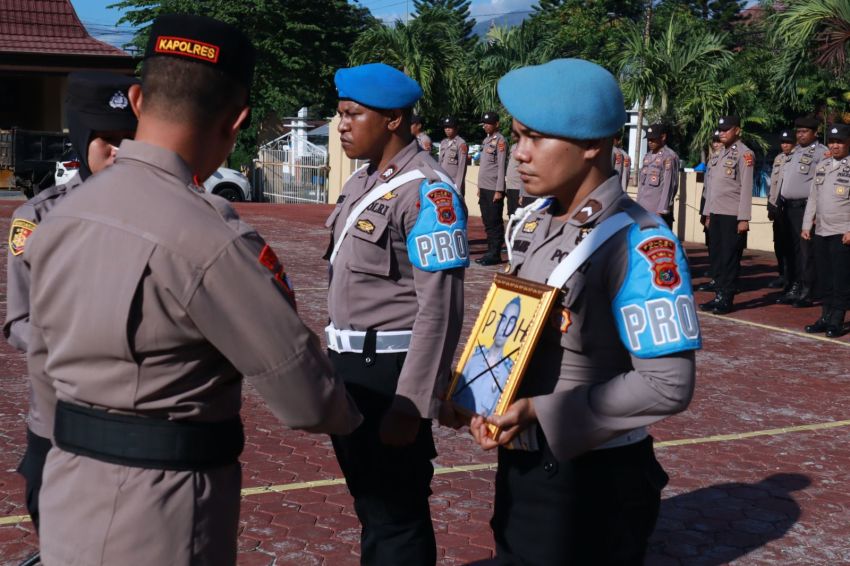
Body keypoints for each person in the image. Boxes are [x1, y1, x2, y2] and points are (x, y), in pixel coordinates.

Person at [23, 15, 361, 565]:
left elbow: (42, 369)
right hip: (162, 515)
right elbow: (306, 400)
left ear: (136, 99)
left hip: (68, 492)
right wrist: (358, 415)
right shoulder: (211, 240)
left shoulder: (61, 217)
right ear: (238, 121)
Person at [444, 58, 698, 565]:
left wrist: (540, 410)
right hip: (530, 466)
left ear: (591, 145)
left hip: (591, 481)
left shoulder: (639, 243)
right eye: (517, 137)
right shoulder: (542, 221)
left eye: (535, 137)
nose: (519, 153)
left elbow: (668, 384)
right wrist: (475, 391)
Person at [328, 62, 467, 565]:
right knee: (372, 505)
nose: (341, 124)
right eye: (340, 114)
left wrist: (413, 402)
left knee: (397, 516)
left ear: (391, 119)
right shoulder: (363, 183)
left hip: (390, 376)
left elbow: (441, 309)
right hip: (349, 368)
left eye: (351, 114)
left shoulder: (428, 192)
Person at [4, 70, 138, 566]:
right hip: (59, 419)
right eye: (109, 141)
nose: (121, 152)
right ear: (83, 140)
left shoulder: (165, 213)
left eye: (132, 139)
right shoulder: (40, 219)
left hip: (139, 420)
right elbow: (19, 321)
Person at [699, 116, 754, 314]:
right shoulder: (717, 154)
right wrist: (707, 214)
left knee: (730, 258)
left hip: (732, 214)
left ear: (737, 130)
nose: (722, 132)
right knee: (718, 257)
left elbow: (746, 188)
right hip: (716, 212)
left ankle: (726, 298)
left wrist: (744, 218)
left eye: (726, 129)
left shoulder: (745, 154)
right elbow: (711, 187)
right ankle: (718, 295)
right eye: (720, 129)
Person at [776, 115, 830, 307]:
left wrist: (816, 213)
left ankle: (808, 290)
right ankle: (794, 286)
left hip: (805, 207)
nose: (800, 135)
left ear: (815, 133)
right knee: (790, 250)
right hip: (787, 207)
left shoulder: (822, 153)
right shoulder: (795, 151)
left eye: (804, 131)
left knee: (806, 252)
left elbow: (823, 185)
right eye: (798, 131)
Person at [801, 123, 850, 338]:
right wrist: (806, 224)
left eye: (840, 142)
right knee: (824, 276)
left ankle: (837, 319)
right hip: (821, 230)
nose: (835, 145)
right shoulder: (822, 165)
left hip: (842, 231)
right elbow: (813, 197)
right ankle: (825, 315)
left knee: (841, 278)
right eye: (832, 141)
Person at [453, 297, 519, 417]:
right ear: (498, 322)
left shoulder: (507, 374)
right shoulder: (473, 358)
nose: (505, 327)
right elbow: (453, 396)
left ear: (514, 329)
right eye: (504, 319)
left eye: (511, 322)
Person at [477, 111, 508, 265]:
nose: (485, 126)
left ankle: (495, 254)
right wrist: (479, 187)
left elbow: (501, 167)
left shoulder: (500, 141)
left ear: (496, 124)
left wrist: (499, 190)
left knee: (495, 221)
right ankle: (489, 252)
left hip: (493, 188)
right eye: (484, 123)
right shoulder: (485, 141)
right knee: (487, 221)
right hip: (484, 187)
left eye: (488, 123)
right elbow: (483, 166)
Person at [767, 128, 795, 290]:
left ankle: (792, 277)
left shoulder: (797, 158)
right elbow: (773, 184)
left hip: (791, 207)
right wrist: (770, 206)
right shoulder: (778, 158)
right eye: (783, 142)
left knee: (790, 245)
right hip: (777, 207)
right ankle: (782, 275)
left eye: (788, 142)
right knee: (778, 243)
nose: (785, 145)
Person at [636, 123, 680, 228]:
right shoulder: (647, 156)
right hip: (643, 210)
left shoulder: (669, 157)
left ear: (663, 137)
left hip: (657, 212)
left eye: (653, 139)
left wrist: (662, 210)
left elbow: (669, 186)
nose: (649, 141)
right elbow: (642, 186)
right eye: (648, 139)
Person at [438, 115, 468, 195]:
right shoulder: (443, 142)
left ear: (456, 128)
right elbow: (440, 162)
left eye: (450, 127)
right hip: (443, 181)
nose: (447, 129)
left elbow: (462, 167)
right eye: (445, 127)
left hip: (454, 183)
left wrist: (458, 185)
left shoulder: (461, 143)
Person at [505, 132, 533, 216]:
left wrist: (522, 193)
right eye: (512, 132)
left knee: (517, 215)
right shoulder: (513, 147)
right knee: (511, 213)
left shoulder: (526, 148)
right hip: (510, 186)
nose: (513, 134)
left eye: (515, 132)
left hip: (518, 187)